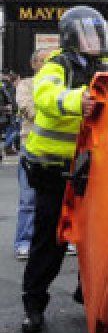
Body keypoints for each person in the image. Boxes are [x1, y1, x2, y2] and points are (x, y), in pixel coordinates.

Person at [20, 5, 108, 333]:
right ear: (71, 36)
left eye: (97, 33)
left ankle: (85, 292)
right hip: (50, 168)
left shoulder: (103, 67)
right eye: (88, 33)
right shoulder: (56, 64)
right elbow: (46, 97)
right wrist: (78, 100)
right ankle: (33, 305)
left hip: (87, 168)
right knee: (50, 241)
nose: (95, 40)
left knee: (93, 235)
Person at [12, 49, 49, 260]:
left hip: (55, 149)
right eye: (43, 61)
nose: (47, 64)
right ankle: (24, 242)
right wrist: (56, 110)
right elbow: (29, 109)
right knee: (28, 198)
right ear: (34, 64)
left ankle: (61, 240)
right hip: (31, 146)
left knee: (60, 198)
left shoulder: (59, 85)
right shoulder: (26, 85)